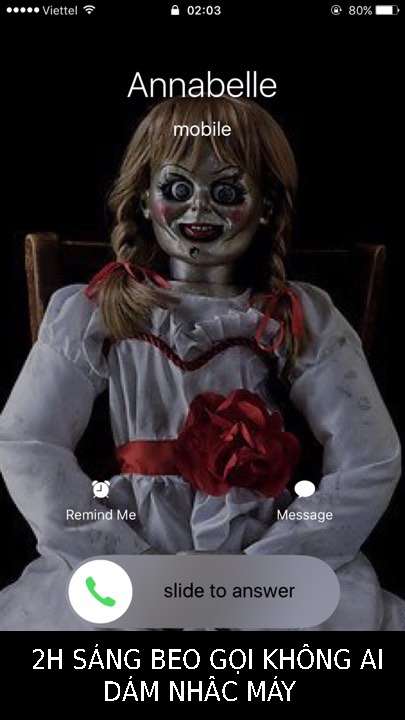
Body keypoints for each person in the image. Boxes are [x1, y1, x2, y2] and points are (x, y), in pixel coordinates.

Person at [0, 96, 403, 630]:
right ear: (145, 200)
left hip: (259, 546)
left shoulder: (297, 316)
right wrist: (121, 560)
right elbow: (29, 442)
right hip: (135, 542)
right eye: (177, 189)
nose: (199, 209)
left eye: (228, 192)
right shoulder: (95, 311)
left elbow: (368, 459)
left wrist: (271, 567)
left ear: (265, 206)